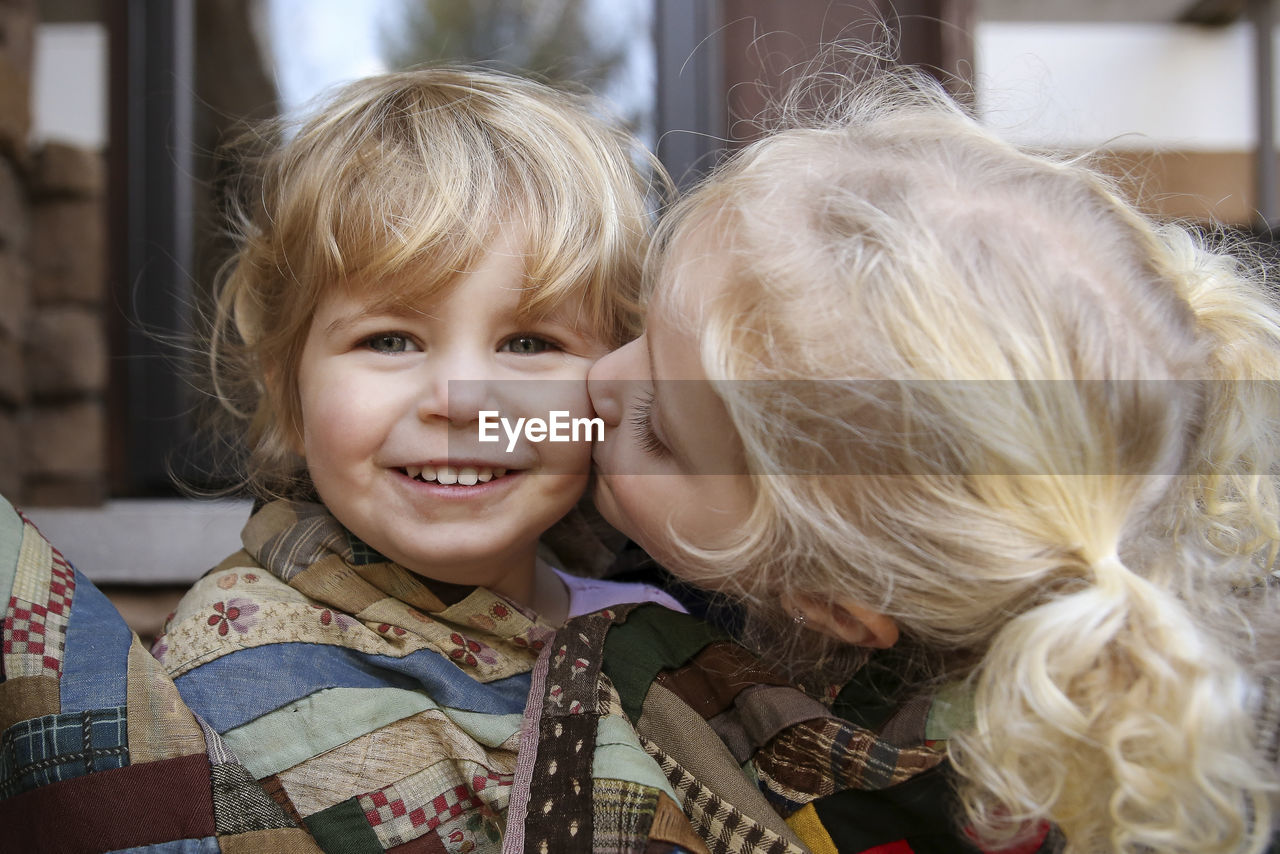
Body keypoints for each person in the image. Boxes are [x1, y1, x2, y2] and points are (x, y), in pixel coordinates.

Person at [1, 66, 699, 854]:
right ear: (289, 392)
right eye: (390, 340)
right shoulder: (230, 670)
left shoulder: (661, 640)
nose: (461, 400)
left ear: (610, 389)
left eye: (530, 342)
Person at [586, 70, 1280, 854]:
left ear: (834, 607)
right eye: (637, 322)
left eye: (659, 432)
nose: (600, 378)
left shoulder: (889, 807)